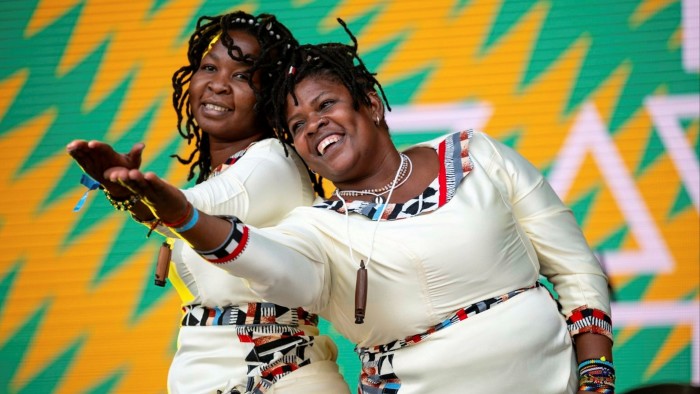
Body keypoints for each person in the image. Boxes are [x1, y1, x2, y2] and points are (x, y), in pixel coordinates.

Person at [106, 20, 615, 393]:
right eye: (298, 125)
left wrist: (596, 381)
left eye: (325, 105)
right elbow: (266, 260)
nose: (314, 126)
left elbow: (575, 270)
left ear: (369, 103)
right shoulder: (317, 228)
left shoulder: (476, 155)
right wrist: (182, 217)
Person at [66, 11, 349, 394]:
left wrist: (135, 192)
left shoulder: (272, 160)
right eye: (209, 67)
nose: (218, 85)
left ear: (270, 95)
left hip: (281, 381)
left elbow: (201, 206)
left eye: (241, 75)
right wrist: (125, 193)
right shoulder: (230, 170)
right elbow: (190, 213)